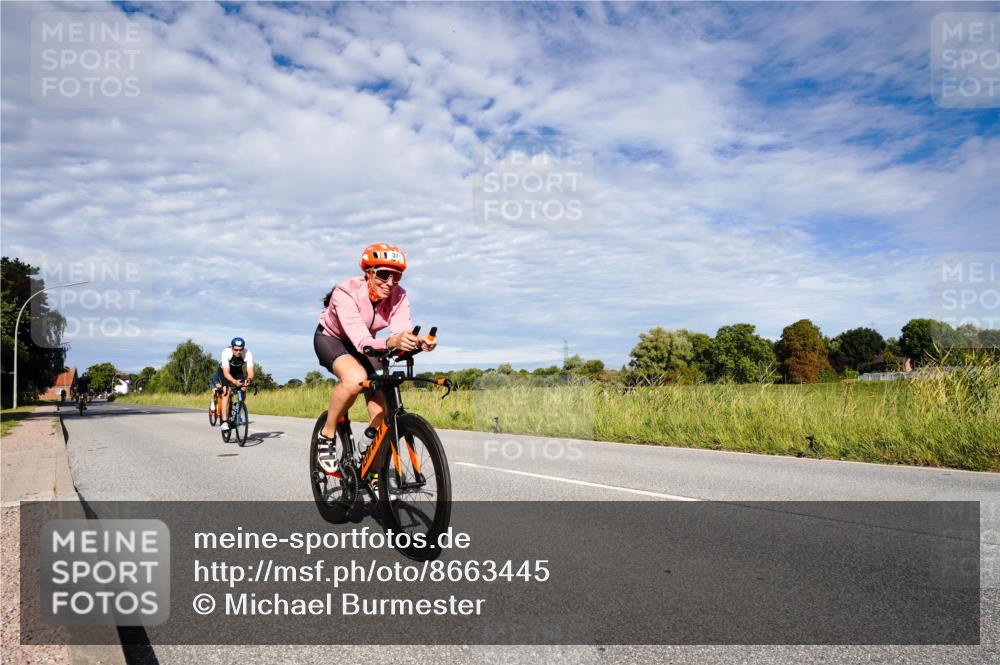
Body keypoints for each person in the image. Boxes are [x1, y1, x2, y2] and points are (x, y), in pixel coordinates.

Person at [313, 243, 436, 475]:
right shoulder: (345, 292)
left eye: (396, 276)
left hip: (370, 344)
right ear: (368, 273)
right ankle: (327, 434)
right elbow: (361, 341)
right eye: (383, 274)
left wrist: (417, 342)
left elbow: (400, 333)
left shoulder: (399, 295)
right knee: (355, 379)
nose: (390, 282)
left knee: (384, 407)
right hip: (333, 339)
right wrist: (393, 342)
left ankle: (369, 459)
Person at [218, 337, 255, 432]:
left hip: (237, 371)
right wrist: (234, 382)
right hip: (224, 371)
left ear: (243, 348)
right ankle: (225, 421)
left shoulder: (247, 353)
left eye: (240, 349)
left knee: (243, 389)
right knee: (227, 391)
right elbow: (226, 373)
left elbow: (250, 372)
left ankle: (240, 411)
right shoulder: (226, 352)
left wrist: (249, 379)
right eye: (236, 349)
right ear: (232, 347)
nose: (239, 352)